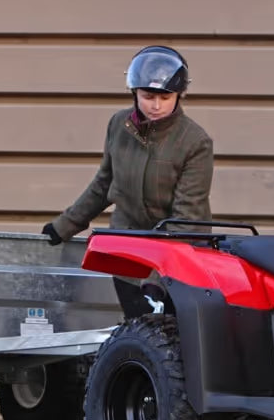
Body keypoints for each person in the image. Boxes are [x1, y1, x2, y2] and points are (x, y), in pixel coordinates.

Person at [41, 46, 214, 316]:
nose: (156, 105)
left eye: (165, 97)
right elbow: (104, 184)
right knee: (134, 337)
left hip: (176, 262)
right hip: (128, 255)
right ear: (134, 92)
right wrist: (63, 226)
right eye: (148, 96)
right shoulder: (118, 126)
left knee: (169, 344)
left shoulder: (195, 142)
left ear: (179, 95)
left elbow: (186, 220)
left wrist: (158, 279)